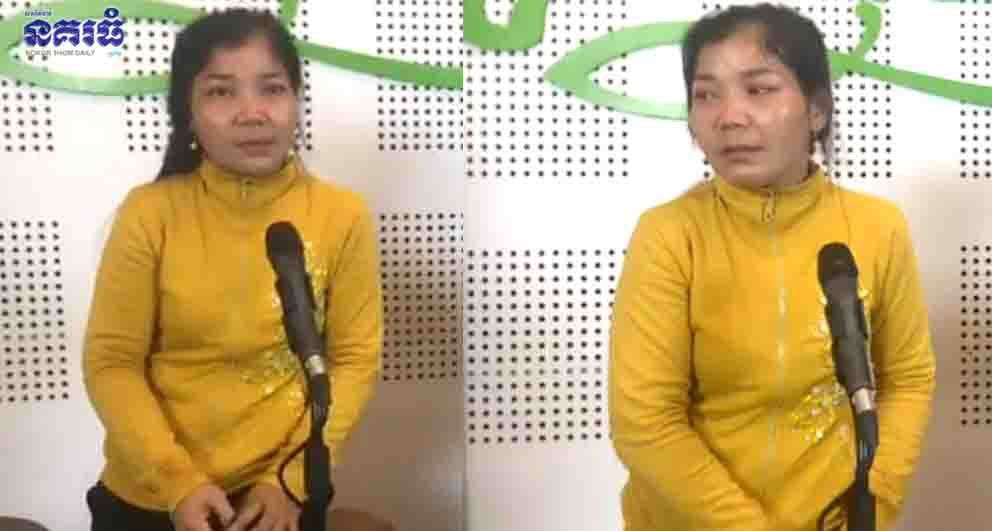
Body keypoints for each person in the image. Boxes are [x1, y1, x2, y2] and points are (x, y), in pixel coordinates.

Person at [607, 5, 936, 531]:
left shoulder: (878, 227)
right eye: (706, 95)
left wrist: (873, 501)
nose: (729, 116)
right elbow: (645, 424)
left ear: (816, 110)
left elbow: (909, 378)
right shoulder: (669, 235)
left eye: (759, 89)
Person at [82, 9, 387, 531]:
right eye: (221, 92)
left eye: (272, 89)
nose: (253, 113)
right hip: (153, 496)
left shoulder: (342, 215)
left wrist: (290, 482)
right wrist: (178, 482)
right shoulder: (149, 214)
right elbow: (112, 363)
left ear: (296, 100)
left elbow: (354, 360)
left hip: (280, 499)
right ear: (188, 112)